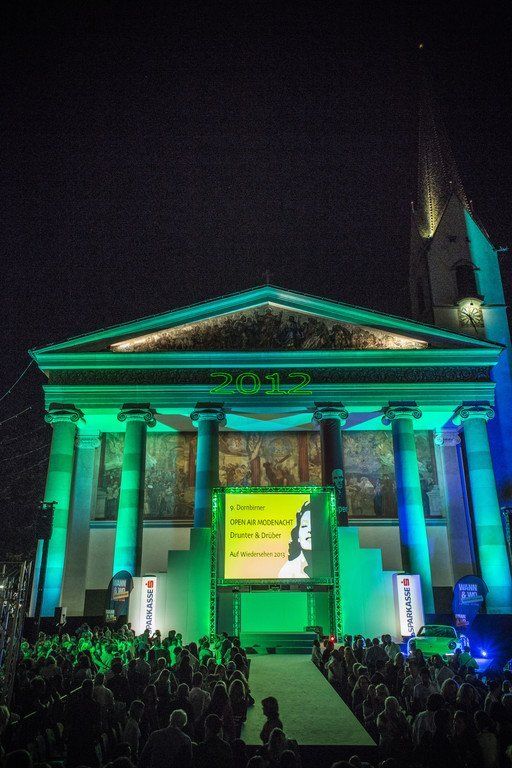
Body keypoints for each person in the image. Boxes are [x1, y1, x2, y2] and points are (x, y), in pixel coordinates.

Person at [277, 501, 312, 578]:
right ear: (297, 536)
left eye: (314, 525)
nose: (310, 530)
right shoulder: (287, 571)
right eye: (304, 526)